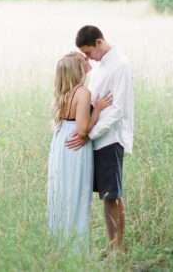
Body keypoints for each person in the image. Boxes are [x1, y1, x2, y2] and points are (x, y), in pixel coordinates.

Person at [66, 25, 134, 252]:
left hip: (110, 138)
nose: (88, 58)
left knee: (112, 195)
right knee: (106, 196)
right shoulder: (101, 67)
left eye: (88, 53)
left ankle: (118, 247)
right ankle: (111, 244)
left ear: (99, 42)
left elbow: (118, 109)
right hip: (96, 138)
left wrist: (89, 134)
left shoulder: (120, 65)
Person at [47, 52, 113, 250]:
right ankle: (76, 250)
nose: (88, 64)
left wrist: (76, 59)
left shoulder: (63, 93)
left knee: (61, 193)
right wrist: (98, 109)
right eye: (84, 63)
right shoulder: (83, 93)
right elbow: (83, 130)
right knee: (75, 194)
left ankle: (59, 245)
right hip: (75, 147)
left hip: (60, 144)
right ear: (77, 70)